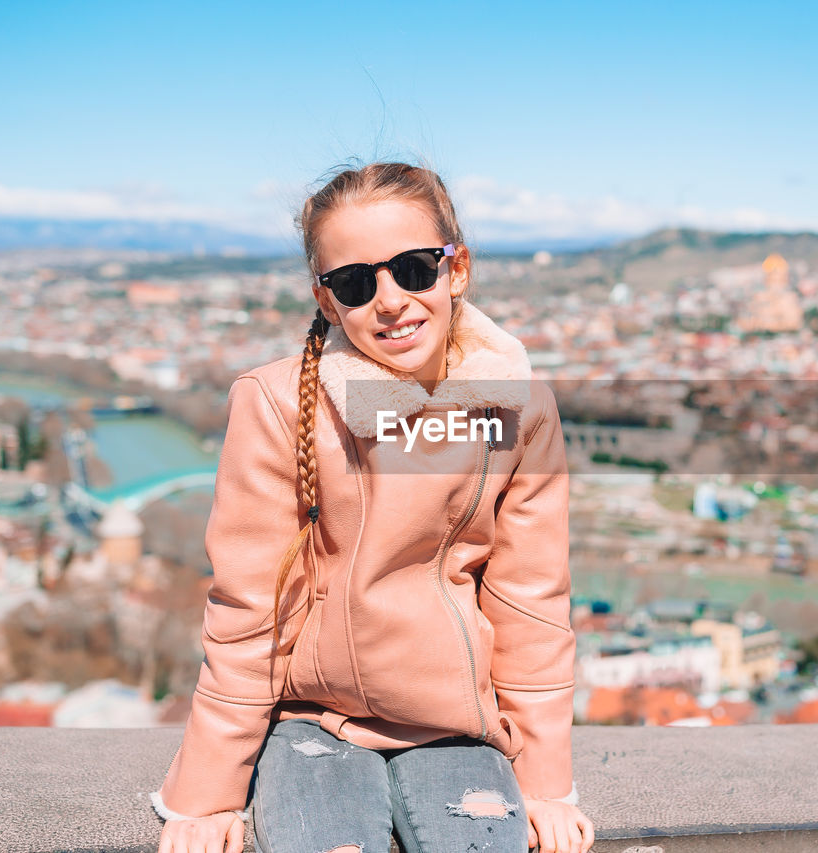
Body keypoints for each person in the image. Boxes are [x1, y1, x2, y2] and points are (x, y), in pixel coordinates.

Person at [152, 161, 594, 853]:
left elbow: (531, 603)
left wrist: (544, 784)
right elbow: (251, 610)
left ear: (458, 269)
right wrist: (207, 797)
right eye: (356, 283)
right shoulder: (275, 404)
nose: (390, 299)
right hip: (312, 717)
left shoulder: (519, 406)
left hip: (458, 719)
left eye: (414, 268)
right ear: (327, 302)